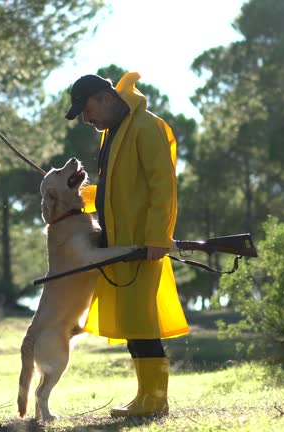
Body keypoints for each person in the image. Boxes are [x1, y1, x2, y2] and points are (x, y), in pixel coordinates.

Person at [64, 72, 189, 417]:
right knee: (134, 322)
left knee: (143, 321)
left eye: (87, 110)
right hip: (119, 245)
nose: (87, 119)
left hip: (141, 244)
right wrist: (76, 196)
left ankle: (155, 400)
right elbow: (116, 188)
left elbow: (162, 188)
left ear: (105, 97)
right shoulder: (114, 130)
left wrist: (156, 238)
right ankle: (144, 396)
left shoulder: (147, 126)